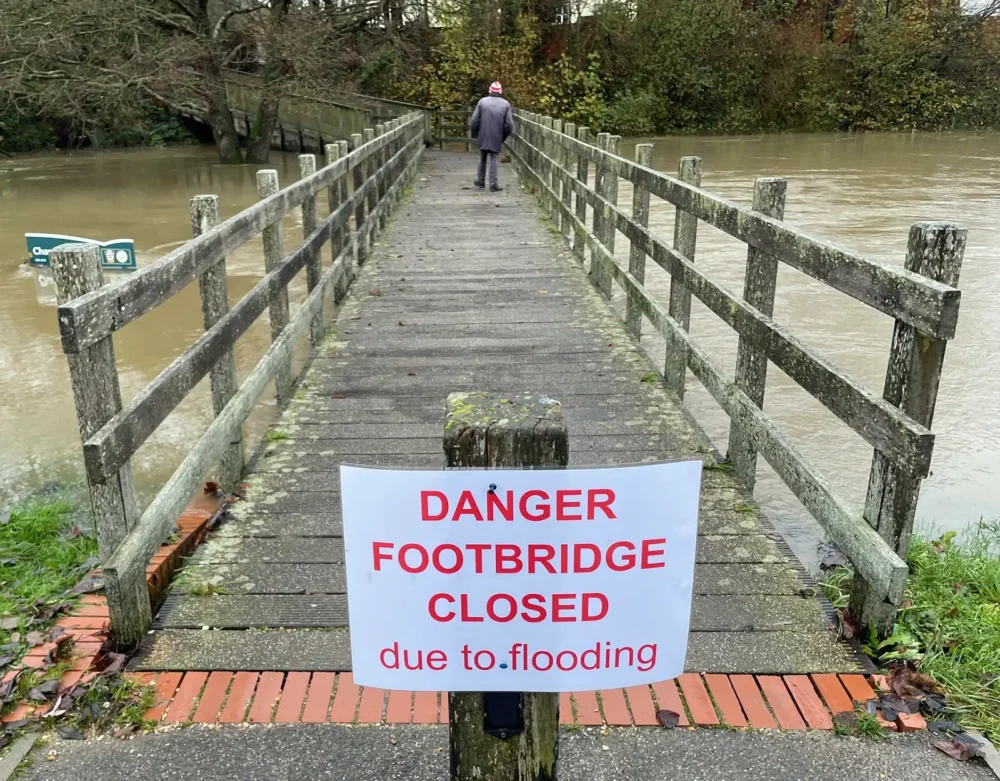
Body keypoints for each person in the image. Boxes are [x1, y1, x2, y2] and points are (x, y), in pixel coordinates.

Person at [469, 81, 514, 192]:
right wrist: (503, 136)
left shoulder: (482, 102)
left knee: (482, 156)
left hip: (483, 133)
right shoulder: (505, 104)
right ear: (500, 92)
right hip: (497, 134)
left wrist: (475, 133)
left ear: (490, 90)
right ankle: (493, 184)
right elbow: (509, 125)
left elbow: (474, 120)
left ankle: (481, 181)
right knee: (494, 158)